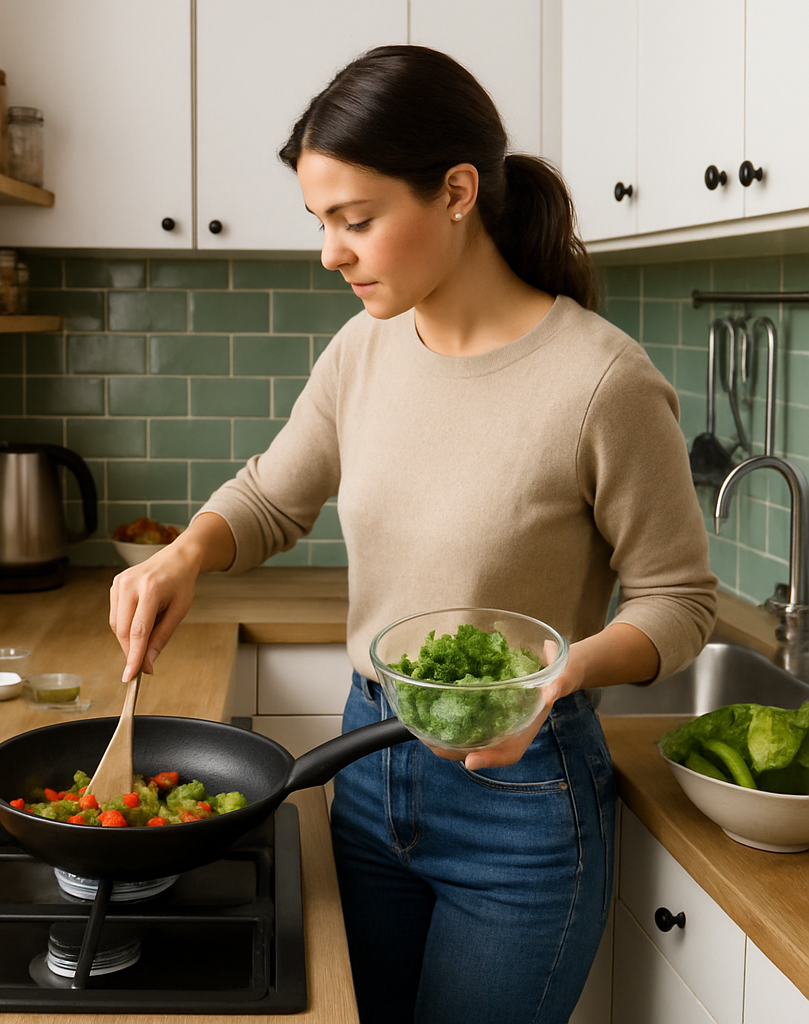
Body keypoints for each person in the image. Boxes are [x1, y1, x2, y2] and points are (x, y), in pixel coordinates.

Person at [109, 44, 717, 1024]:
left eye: (355, 220)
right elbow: (271, 497)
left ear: (456, 191)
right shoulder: (363, 348)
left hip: (519, 794)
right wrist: (186, 550)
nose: (329, 252)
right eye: (320, 222)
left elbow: (677, 602)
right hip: (365, 765)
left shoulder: (601, 381)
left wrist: (556, 675)